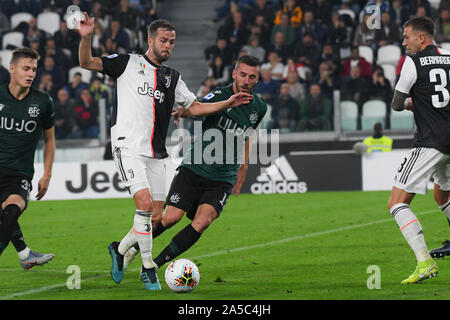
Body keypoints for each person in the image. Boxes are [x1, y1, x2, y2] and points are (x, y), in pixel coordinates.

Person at [78, 14, 253, 290]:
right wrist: (86, 36)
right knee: (145, 206)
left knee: (158, 217)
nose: (168, 45)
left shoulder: (173, 78)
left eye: (172, 41)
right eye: (163, 40)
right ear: (150, 40)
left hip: (157, 154)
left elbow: (195, 107)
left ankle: (119, 249)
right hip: (127, 146)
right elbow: (86, 62)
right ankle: (149, 268)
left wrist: (227, 104)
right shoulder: (127, 63)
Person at [123, 55, 267, 272]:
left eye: (252, 77)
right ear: (235, 73)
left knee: (202, 222)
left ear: (257, 80)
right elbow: (196, 107)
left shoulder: (259, 107)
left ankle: (153, 266)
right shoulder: (220, 95)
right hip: (195, 167)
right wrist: (183, 112)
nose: (246, 80)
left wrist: (243, 168)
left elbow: (247, 135)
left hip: (223, 177)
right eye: (243, 74)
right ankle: (131, 249)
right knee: (170, 218)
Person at [388, 16, 450, 284]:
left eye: (407, 37)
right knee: (443, 195)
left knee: (397, 202)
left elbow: (396, 103)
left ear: (421, 38)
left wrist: (413, 102)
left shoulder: (412, 62)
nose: (404, 43)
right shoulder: (449, 58)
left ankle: (425, 262)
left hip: (431, 141)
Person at [0, 48, 55, 270]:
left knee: (12, 210)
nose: (31, 73)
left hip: (19, 174)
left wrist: (47, 174)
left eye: (33, 69)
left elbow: (49, 140)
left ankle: (24, 255)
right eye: (26, 68)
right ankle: (25, 255)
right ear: (12, 68)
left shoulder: (43, 102)